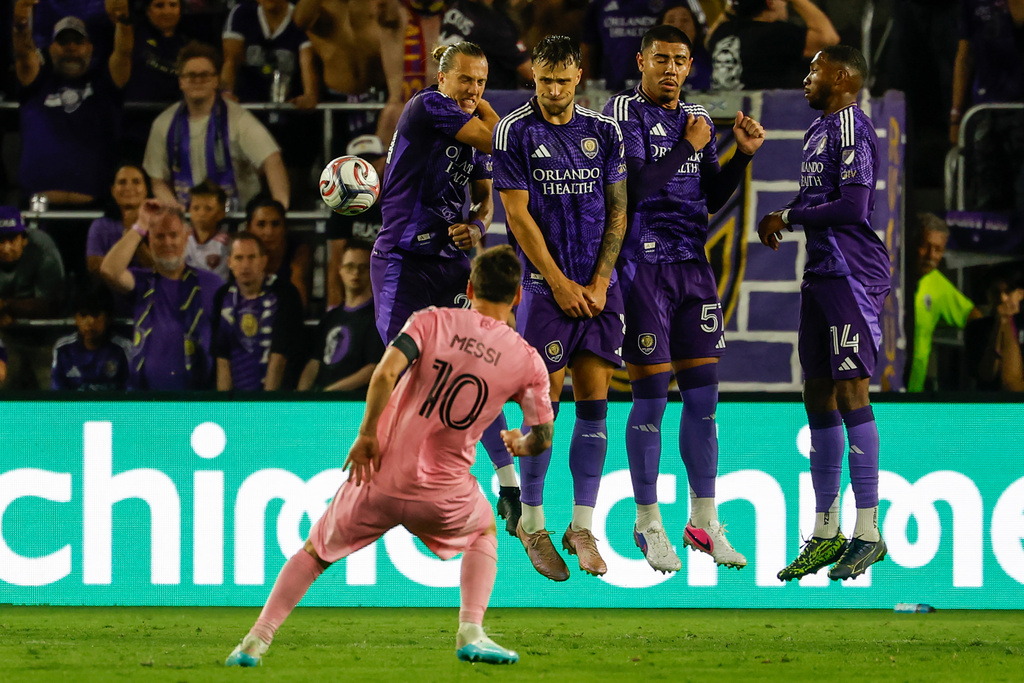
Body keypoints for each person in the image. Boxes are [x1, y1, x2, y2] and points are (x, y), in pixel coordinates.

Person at [224, 245, 555, 668]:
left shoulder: (430, 321)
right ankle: (471, 630)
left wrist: (366, 435)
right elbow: (541, 435)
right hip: (444, 493)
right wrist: (520, 445)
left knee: (314, 553)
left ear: (469, 287)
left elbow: (383, 373)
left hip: (378, 475)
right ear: (517, 297)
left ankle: (255, 642)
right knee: (484, 532)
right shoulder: (527, 361)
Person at [603, 24, 765, 573]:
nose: (671, 69)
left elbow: (713, 195)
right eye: (661, 59)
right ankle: (648, 522)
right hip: (642, 267)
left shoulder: (694, 120)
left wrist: (738, 157)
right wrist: (688, 146)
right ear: (642, 62)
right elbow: (634, 190)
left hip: (692, 269)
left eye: (680, 60)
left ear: (689, 66)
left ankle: (704, 520)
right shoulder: (622, 115)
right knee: (650, 399)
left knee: (703, 400)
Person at [491, 35, 627, 580]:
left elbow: (618, 211)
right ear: (535, 79)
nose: (552, 90)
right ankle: (533, 520)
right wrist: (561, 282)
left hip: (598, 289)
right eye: (543, 80)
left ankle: (583, 525)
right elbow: (519, 219)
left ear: (578, 76)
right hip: (546, 291)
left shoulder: (604, 132)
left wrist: (599, 280)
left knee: (595, 404)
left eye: (561, 80)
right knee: (541, 406)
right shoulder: (514, 131)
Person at [758, 46, 889, 582]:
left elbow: (854, 207)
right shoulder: (818, 132)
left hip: (852, 275)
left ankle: (869, 532)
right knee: (816, 393)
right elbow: (821, 196)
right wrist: (790, 211)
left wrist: (787, 214)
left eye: (813, 69)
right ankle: (826, 529)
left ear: (840, 76)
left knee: (852, 390)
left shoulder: (852, 128)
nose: (805, 77)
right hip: (821, 274)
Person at [371, 42, 518, 518]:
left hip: (451, 264)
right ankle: (402, 472)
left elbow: (485, 200)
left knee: (473, 367)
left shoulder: (471, 123)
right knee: (410, 369)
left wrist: (476, 226)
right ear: (443, 79)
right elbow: (498, 140)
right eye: (466, 79)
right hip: (403, 262)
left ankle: (507, 482)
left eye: (481, 81)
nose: (473, 89)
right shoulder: (428, 105)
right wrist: (499, 115)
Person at [143, 41, 290, 210]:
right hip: (188, 226)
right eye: (191, 75)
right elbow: (158, 180)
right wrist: (177, 211)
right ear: (181, 81)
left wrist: (279, 208)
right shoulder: (163, 124)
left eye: (205, 75)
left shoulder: (239, 120)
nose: (198, 81)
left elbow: (272, 160)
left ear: (216, 81)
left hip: (236, 221)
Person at [100, 199, 222, 390]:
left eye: (174, 235)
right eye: (159, 236)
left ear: (186, 236)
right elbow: (109, 270)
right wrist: (140, 225)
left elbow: (227, 345)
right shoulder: (142, 280)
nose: (167, 242)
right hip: (147, 402)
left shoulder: (211, 283)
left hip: (199, 401)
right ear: (149, 240)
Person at [13, 9, 130, 205]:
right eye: (63, 41)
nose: (71, 47)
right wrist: (21, 22)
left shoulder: (104, 83)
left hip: (95, 206)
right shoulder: (37, 83)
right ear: (51, 48)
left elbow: (124, 53)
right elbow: (23, 54)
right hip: (38, 206)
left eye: (78, 41)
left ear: (90, 48)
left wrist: (123, 19)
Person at [950, 0, 1024, 213]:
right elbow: (964, 57)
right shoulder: (973, 4)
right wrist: (955, 115)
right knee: (989, 200)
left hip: (1020, 108)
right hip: (986, 111)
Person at [213, 232, 305, 391]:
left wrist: (264, 406)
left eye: (252, 257)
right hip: (235, 396)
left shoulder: (285, 294)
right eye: (239, 258)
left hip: (277, 398)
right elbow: (222, 356)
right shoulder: (223, 296)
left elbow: (279, 355)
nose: (245, 265)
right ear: (229, 262)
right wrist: (225, 407)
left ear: (264, 260)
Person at [907, 213, 980, 392]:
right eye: (926, 246)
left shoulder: (938, 283)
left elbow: (974, 316)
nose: (931, 255)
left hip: (910, 395)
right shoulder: (889, 274)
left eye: (938, 249)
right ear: (913, 243)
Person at [298, 243, 384, 392]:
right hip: (322, 402)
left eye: (363, 267)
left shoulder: (379, 318)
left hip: (355, 403)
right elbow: (315, 361)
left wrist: (331, 394)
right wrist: (301, 397)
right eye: (350, 266)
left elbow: (373, 368)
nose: (356, 273)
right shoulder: (330, 318)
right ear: (340, 270)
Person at [0, 206, 67, 390]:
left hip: (45, 337)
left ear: (24, 239)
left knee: (51, 392)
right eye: (0, 241)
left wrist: (6, 305)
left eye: (11, 240)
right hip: (5, 337)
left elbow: (51, 305)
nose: (6, 248)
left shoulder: (42, 247)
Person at [707, 0, 839, 91]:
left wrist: (739, 5)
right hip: (763, 117)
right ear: (770, 3)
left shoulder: (723, 31)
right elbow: (829, 38)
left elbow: (708, 39)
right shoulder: (776, 33)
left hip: (723, 115)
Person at [325, 134, 386, 310]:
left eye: (372, 161)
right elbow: (336, 263)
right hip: (355, 291)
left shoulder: (398, 203)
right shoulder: (343, 208)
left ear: (384, 162)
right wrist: (334, 308)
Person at [221, 0, 317, 107]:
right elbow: (230, 61)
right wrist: (226, 93)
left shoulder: (300, 18)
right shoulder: (241, 13)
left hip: (290, 105)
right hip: (247, 104)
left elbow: (308, 63)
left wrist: (309, 95)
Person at [438, 0, 533, 90]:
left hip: (451, 91)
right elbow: (529, 72)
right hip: (490, 97)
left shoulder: (455, 5)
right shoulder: (493, 24)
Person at [50, 289, 131, 391]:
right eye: (83, 315)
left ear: (109, 318)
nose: (90, 322)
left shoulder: (123, 348)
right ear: (76, 318)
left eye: (96, 315)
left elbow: (132, 392)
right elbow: (56, 393)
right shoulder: (63, 349)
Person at [85, 164, 155, 278]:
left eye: (136, 182)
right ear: (113, 190)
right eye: (122, 182)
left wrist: (134, 236)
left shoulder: (161, 223)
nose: (128, 187)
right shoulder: (100, 226)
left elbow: (160, 270)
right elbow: (93, 266)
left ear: (146, 189)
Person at [244, 197, 311, 309]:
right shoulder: (239, 252)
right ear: (248, 228)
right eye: (261, 224)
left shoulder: (298, 252)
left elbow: (299, 306)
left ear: (285, 228)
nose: (269, 232)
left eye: (275, 224)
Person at [580, 0, 661, 91]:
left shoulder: (668, 3)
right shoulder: (599, 4)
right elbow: (587, 47)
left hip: (656, 87)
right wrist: (590, 88)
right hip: (611, 88)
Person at [965, 269, 1024, 391]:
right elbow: (986, 374)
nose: (1002, 299)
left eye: (1008, 292)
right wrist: (1000, 324)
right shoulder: (976, 328)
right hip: (990, 404)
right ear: (988, 296)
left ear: (1020, 294)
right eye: (996, 293)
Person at [658, 1, 712, 91]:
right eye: (671, 21)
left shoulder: (711, 60)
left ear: (696, 29)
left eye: (685, 20)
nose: (678, 26)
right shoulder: (647, 63)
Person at [184, 179, 231, 281]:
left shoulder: (227, 244)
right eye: (196, 208)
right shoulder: (181, 239)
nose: (201, 214)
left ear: (221, 213)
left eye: (208, 209)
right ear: (189, 210)